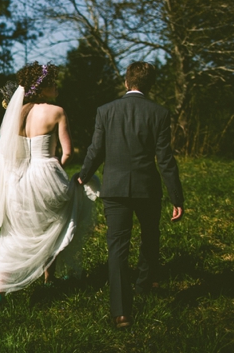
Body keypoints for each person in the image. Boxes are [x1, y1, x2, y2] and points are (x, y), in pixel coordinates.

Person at [0, 62, 98, 307]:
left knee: (15, 231)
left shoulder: (17, 112)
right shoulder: (56, 111)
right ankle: (48, 279)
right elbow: (68, 152)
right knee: (54, 225)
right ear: (42, 87)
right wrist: (58, 169)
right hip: (46, 173)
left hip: (17, 178)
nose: (56, 86)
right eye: (52, 82)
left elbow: (6, 151)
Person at [78, 61, 184, 329]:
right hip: (147, 188)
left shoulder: (106, 111)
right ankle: (144, 284)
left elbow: (96, 149)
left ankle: (121, 311)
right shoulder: (159, 113)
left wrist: (83, 175)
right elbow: (166, 159)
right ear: (150, 85)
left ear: (127, 82)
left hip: (114, 189)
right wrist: (177, 197)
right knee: (150, 236)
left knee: (117, 245)